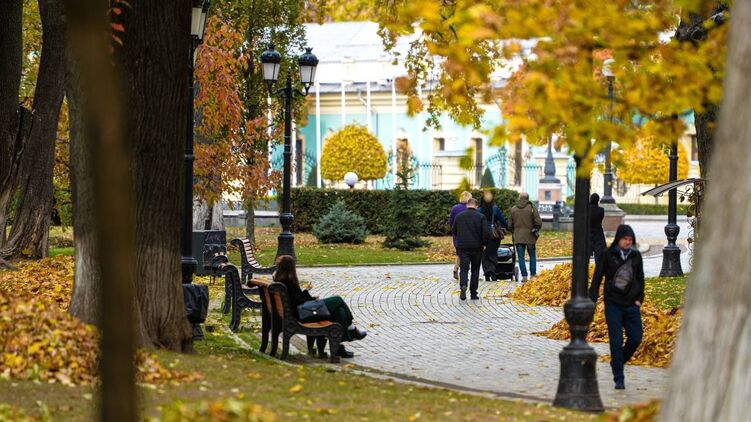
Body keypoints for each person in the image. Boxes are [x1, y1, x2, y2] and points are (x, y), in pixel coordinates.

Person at [273, 255, 367, 358]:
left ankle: (339, 348)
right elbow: (297, 301)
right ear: (290, 267)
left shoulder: (281, 280)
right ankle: (352, 329)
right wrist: (308, 294)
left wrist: (309, 295)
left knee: (339, 312)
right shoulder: (287, 281)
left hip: (297, 312)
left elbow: (295, 299)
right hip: (301, 314)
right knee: (338, 299)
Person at [588, 224, 645, 390]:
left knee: (636, 338)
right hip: (613, 304)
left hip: (632, 305)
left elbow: (640, 278)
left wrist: (639, 299)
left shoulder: (636, 256)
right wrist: (592, 300)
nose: (628, 242)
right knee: (616, 341)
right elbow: (597, 278)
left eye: (630, 239)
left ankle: (617, 361)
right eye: (625, 239)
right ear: (618, 239)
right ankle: (619, 377)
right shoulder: (607, 255)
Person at [451, 197, 490, 301]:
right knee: (475, 269)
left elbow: (454, 230)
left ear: (467, 205)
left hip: (463, 246)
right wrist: (484, 243)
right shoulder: (481, 217)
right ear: (476, 206)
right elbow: (486, 232)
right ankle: (473, 293)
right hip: (477, 247)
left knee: (464, 268)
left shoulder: (459, 216)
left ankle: (463, 285)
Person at [508, 192, 542, 282]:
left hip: (518, 236)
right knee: (532, 255)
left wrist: (514, 231)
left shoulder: (513, 209)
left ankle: (524, 276)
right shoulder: (532, 208)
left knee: (521, 257)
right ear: (528, 199)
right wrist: (535, 229)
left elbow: (509, 225)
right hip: (530, 236)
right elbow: (539, 222)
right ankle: (533, 275)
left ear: (519, 198)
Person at [478, 190, 508, 281]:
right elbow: (502, 220)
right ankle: (493, 272)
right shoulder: (495, 209)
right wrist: (508, 227)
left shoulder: (478, 210)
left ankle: (487, 273)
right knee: (493, 253)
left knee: (484, 254)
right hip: (493, 235)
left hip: (481, 234)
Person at [448, 191, 473, 280]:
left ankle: (456, 268)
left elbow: (451, 222)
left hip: (457, 235)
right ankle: (464, 273)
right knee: (467, 254)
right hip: (468, 235)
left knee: (459, 253)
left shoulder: (455, 208)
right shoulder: (469, 209)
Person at [589, 193, 607, 264]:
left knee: (586, 254)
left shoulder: (587, 210)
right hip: (598, 233)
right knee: (599, 254)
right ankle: (598, 268)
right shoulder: (601, 210)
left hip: (588, 233)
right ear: (598, 200)